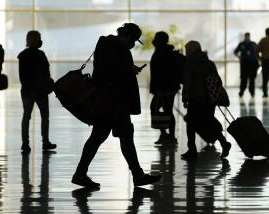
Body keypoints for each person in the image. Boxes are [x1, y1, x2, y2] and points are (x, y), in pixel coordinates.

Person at [71, 23, 162, 188]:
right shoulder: (115, 47)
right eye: (133, 40)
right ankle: (136, 175)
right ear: (127, 36)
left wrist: (128, 68)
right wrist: (128, 69)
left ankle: (81, 174)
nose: (133, 44)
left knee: (110, 136)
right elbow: (111, 73)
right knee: (116, 136)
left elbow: (108, 69)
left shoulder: (108, 46)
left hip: (110, 101)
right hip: (113, 101)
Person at [181, 41, 231, 159]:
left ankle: (192, 150)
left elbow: (187, 83)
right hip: (209, 98)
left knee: (191, 124)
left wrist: (185, 97)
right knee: (208, 121)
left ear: (189, 50)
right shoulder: (210, 63)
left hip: (195, 99)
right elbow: (218, 81)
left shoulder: (189, 64)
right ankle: (224, 143)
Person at [18, 30, 56, 152]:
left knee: (26, 116)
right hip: (40, 92)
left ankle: (25, 142)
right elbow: (46, 73)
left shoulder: (23, 55)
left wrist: (29, 89)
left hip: (27, 91)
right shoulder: (41, 55)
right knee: (45, 116)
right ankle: (45, 141)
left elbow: (22, 76)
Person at [150, 31, 185, 144]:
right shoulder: (163, 50)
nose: (154, 40)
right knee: (166, 110)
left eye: (156, 38)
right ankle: (167, 135)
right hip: (167, 87)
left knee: (165, 110)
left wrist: (159, 89)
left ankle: (169, 136)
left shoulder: (163, 52)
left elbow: (163, 73)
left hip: (165, 88)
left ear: (161, 40)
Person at [234, 32, 259, 98]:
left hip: (252, 64)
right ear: (245, 37)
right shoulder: (241, 44)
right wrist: (239, 57)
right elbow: (235, 52)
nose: (247, 38)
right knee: (243, 79)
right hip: (244, 64)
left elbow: (257, 53)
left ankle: (252, 92)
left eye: (248, 36)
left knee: (252, 79)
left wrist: (257, 61)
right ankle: (241, 92)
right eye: (246, 36)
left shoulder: (253, 44)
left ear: (249, 37)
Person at [257, 28, 269, 97]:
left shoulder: (263, 40)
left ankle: (265, 93)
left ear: (266, 33)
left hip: (265, 61)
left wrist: (260, 58)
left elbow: (256, 50)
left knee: (265, 78)